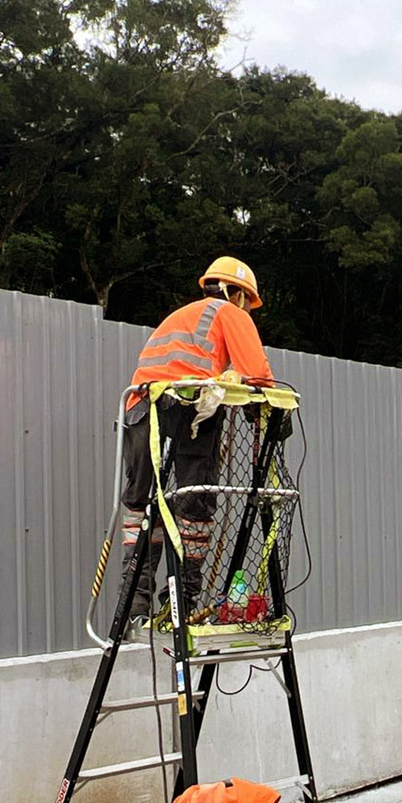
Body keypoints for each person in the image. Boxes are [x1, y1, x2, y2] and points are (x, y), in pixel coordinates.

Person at [120, 257, 275, 624]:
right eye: (247, 302)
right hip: (187, 410)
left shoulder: (180, 317)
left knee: (143, 506)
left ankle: (132, 605)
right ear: (236, 293)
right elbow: (259, 376)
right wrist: (261, 409)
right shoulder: (229, 313)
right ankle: (182, 603)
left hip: (141, 410)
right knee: (195, 504)